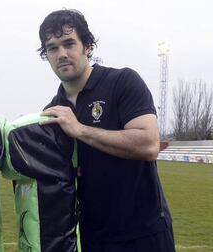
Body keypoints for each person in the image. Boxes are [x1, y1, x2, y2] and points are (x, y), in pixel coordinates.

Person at [38, 9, 175, 252]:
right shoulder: (52, 111)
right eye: (52, 48)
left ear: (87, 46)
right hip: (92, 238)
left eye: (69, 43)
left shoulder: (123, 82)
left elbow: (149, 144)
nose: (62, 54)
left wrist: (80, 130)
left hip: (143, 234)